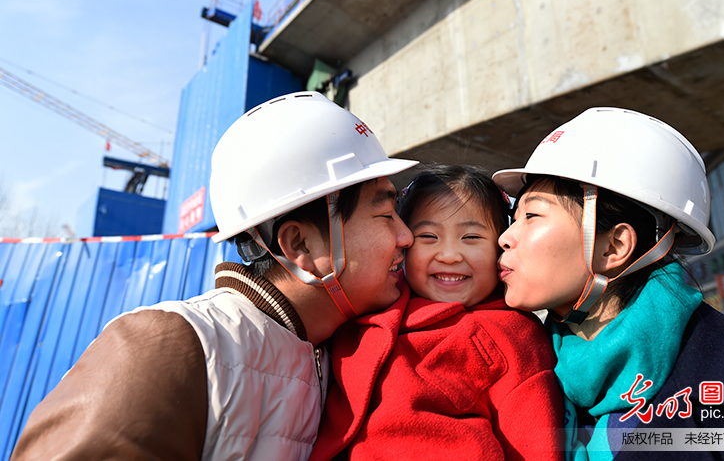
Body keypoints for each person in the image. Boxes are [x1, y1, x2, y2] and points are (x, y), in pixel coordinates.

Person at [10, 91, 418, 461]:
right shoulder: (168, 351)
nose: (406, 235)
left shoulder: (337, 351)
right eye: (385, 215)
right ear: (301, 245)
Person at [493, 107, 724, 460]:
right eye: (513, 218)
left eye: (532, 215)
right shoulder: (516, 369)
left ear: (613, 246)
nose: (505, 237)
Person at [311, 164, 564, 461]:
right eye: (428, 237)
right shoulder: (367, 308)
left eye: (471, 238)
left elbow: (536, 441)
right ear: (403, 243)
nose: (449, 255)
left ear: (500, 247)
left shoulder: (513, 333)